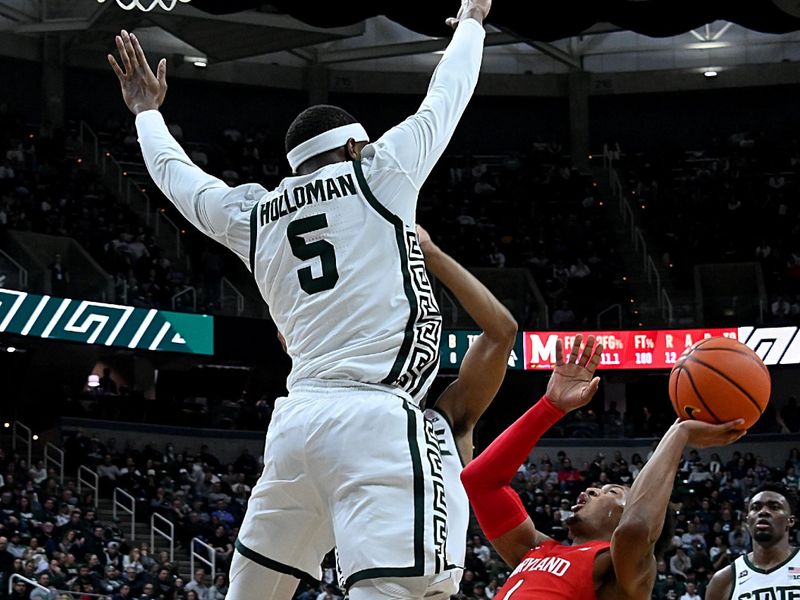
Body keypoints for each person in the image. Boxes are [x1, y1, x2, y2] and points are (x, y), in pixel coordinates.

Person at [108, 0, 490, 598]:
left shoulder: (255, 214)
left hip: (297, 426)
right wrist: (470, 23)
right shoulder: (380, 172)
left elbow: (178, 180)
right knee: (400, 590)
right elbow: (448, 95)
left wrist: (147, 115)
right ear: (355, 147)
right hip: (377, 416)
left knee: (253, 593)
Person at [460, 335, 746, 600]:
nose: (592, 489)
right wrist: (550, 407)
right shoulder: (534, 549)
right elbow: (480, 480)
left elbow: (636, 529)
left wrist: (678, 434)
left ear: (626, 512)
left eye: (612, 491)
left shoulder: (622, 571)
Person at [416, 225, 517, 597]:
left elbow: (501, 333)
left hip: (437, 585)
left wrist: (432, 254)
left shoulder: (448, 417)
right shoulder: (348, 412)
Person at [705, 482, 798, 600]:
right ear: (747, 520)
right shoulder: (724, 580)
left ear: (790, 521)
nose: (763, 512)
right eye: (756, 507)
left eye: (774, 507)